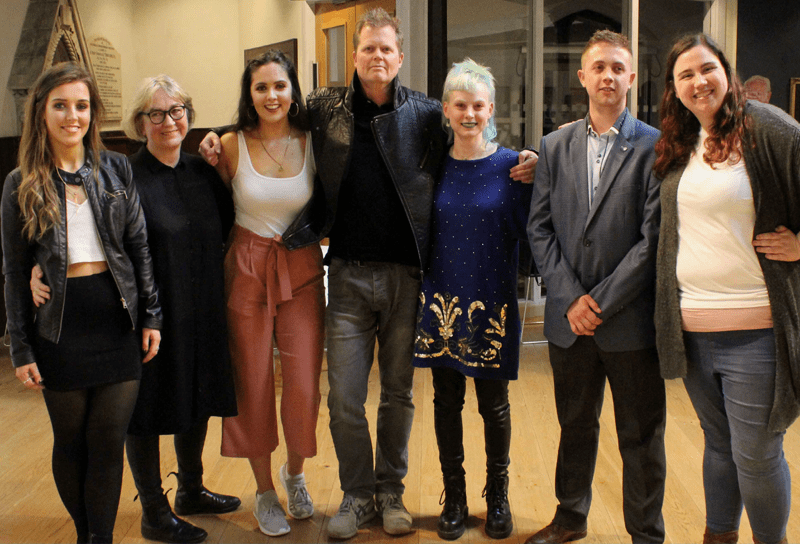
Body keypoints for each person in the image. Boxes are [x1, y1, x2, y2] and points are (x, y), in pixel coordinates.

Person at [199, 10, 536, 540]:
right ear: (353, 56)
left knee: (398, 395)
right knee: (344, 399)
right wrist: (217, 138)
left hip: (407, 277)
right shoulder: (323, 107)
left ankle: (391, 493)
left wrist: (525, 155)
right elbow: (270, 116)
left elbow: (471, 141)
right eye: (368, 49)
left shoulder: (427, 113)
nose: (377, 57)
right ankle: (356, 495)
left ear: (399, 57)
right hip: (347, 276)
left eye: (386, 49)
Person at [1, 63, 162, 544]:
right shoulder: (20, 182)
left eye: (82, 106)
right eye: (61, 105)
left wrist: (152, 315)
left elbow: (139, 247)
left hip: (118, 320)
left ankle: (100, 540)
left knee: (109, 442)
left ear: (93, 113)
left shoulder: (116, 168)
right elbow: (14, 270)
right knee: (71, 443)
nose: (73, 116)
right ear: (41, 112)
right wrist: (20, 348)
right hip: (60, 326)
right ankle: (84, 533)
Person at [653, 33, 800, 544]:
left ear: (726, 72)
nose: (699, 82)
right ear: (674, 89)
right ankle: (718, 537)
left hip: (756, 331)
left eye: (707, 69)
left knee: (756, 455)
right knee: (718, 445)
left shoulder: (769, 129)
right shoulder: (682, 142)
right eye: (685, 75)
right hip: (693, 331)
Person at [527, 30, 667, 544]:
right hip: (570, 323)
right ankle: (570, 518)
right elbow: (540, 229)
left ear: (632, 78)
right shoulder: (554, 145)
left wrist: (600, 303)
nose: (608, 76)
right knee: (575, 425)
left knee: (641, 436)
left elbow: (653, 241)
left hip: (629, 322)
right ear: (582, 77)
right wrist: (570, 299)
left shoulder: (655, 146)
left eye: (617, 68)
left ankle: (646, 533)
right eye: (599, 68)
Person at [413, 59, 532, 541]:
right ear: (445, 109)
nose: (469, 114)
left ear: (491, 110)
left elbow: (533, 227)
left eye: (478, 106)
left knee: (494, 405)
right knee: (446, 402)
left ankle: (497, 495)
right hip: (442, 298)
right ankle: (456, 496)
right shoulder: (431, 166)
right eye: (460, 105)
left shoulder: (514, 167)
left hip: (491, 298)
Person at [211, 50, 325, 538]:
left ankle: (294, 474)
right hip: (246, 268)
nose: (272, 95)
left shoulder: (314, 141)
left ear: (293, 90)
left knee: (303, 383)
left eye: (280, 85)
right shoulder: (229, 144)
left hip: (300, 267)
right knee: (252, 380)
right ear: (249, 94)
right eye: (261, 87)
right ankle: (263, 491)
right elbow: (209, 206)